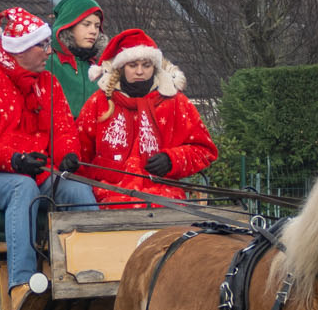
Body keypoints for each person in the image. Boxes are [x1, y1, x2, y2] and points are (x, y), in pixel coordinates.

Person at [0, 7, 99, 310]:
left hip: (36, 168)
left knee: (77, 189)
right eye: (42, 45)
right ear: (19, 50)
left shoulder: (47, 82)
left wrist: (69, 155)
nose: (49, 51)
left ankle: (91, 274)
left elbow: (62, 129)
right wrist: (14, 160)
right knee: (23, 189)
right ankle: (22, 285)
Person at [69, 27, 217, 207]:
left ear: (154, 67)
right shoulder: (99, 102)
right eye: (133, 66)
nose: (140, 72)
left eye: (146, 65)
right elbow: (78, 150)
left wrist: (172, 160)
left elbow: (204, 150)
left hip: (164, 199)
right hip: (108, 197)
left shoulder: (176, 102)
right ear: (121, 68)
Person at [45, 0, 105, 121]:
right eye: (86, 24)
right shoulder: (49, 64)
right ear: (69, 26)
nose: (93, 31)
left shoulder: (102, 68)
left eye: (97, 26)